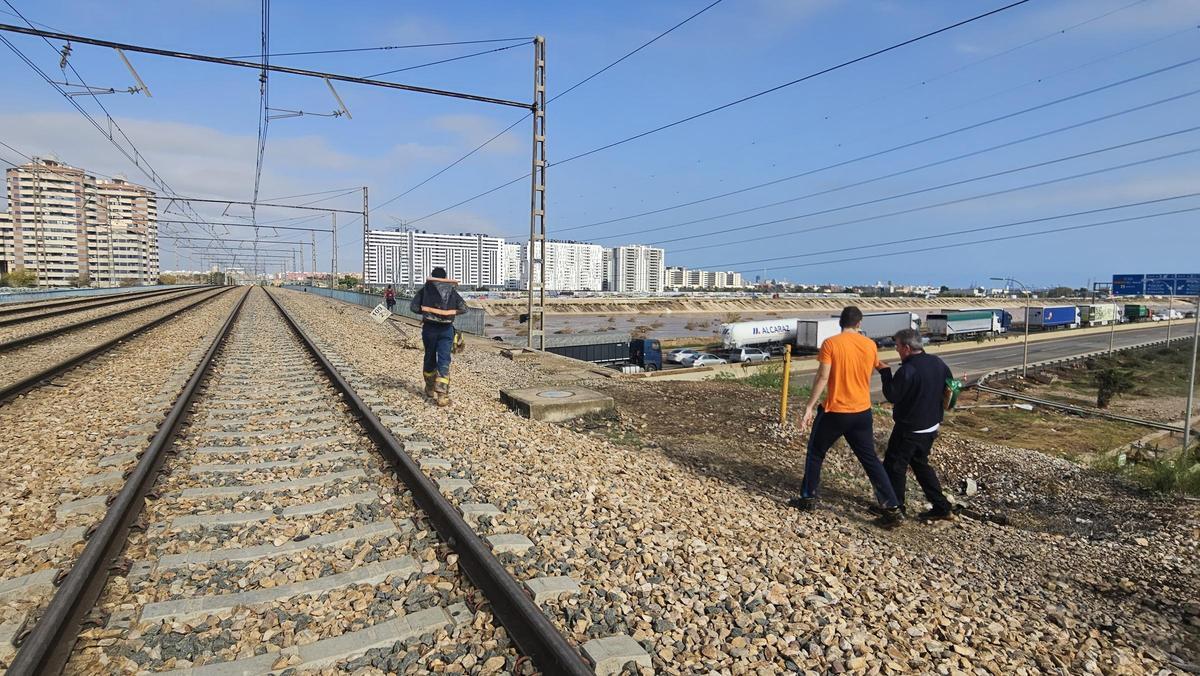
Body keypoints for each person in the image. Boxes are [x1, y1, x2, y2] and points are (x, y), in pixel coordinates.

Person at [790, 306, 903, 527]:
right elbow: (878, 366)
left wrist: (809, 407)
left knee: (816, 452)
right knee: (869, 459)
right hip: (862, 412)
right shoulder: (869, 345)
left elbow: (823, 376)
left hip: (836, 410)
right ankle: (892, 507)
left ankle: (808, 498)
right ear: (859, 324)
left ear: (840, 323)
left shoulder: (831, 343)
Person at [877, 328, 955, 521]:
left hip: (910, 428)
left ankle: (895, 510)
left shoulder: (908, 370)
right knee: (920, 465)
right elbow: (950, 385)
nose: (896, 350)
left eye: (896, 346)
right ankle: (942, 506)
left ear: (906, 347)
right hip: (931, 426)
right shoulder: (938, 362)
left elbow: (892, 395)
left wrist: (885, 373)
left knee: (894, 466)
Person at [409, 267, 468, 406]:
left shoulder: (426, 289)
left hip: (429, 330)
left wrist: (427, 313)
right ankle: (442, 395)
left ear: (432, 276)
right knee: (444, 360)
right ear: (445, 277)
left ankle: (429, 388)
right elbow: (464, 308)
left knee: (429, 357)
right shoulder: (451, 290)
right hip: (446, 330)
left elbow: (413, 307)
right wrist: (450, 314)